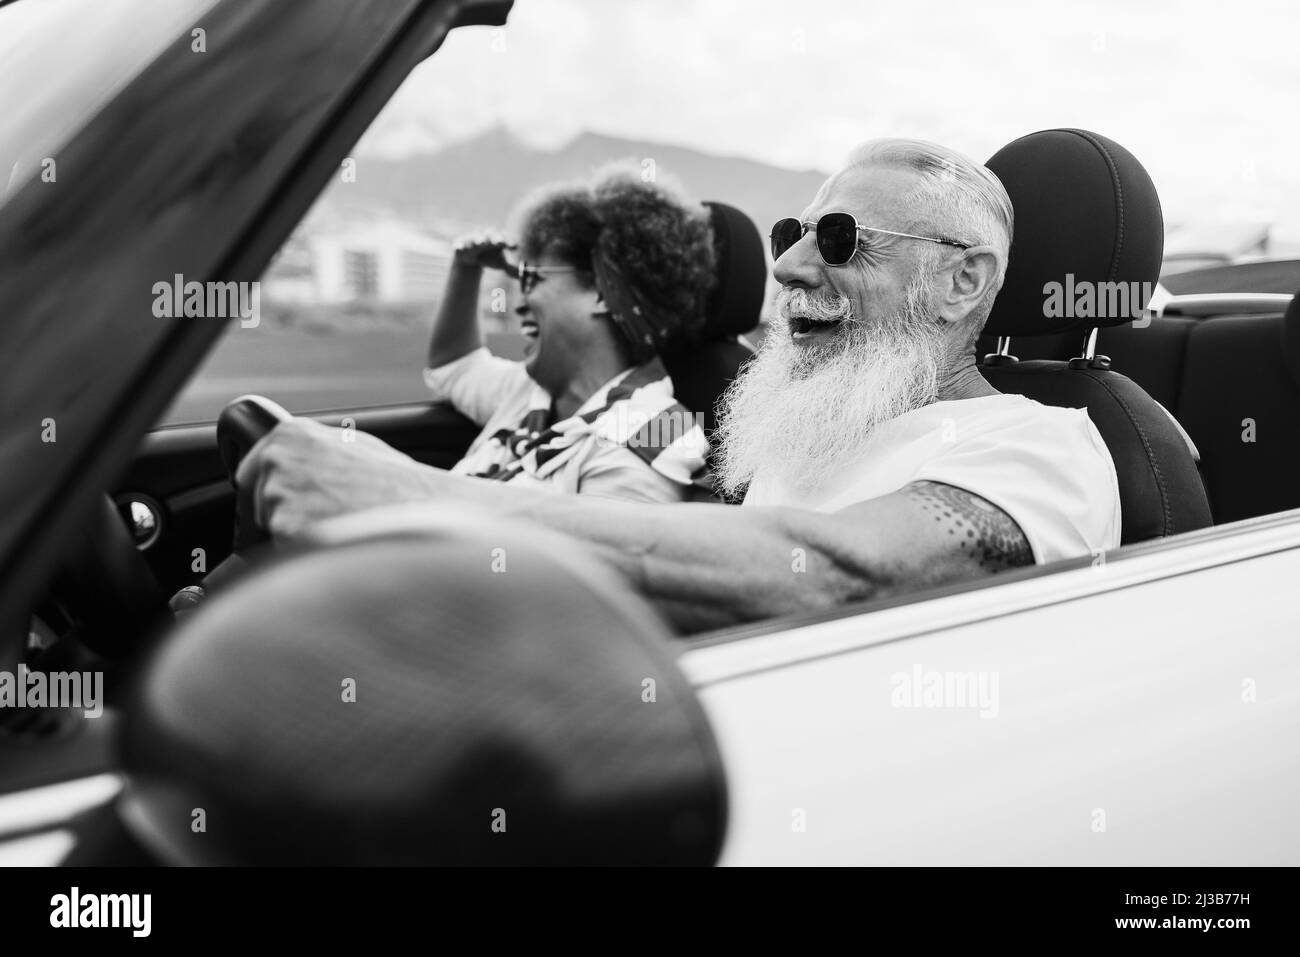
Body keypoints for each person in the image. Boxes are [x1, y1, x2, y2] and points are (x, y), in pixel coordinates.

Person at [238, 138, 1122, 632]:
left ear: (962, 282)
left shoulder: (1041, 450)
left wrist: (416, 506)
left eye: (842, 238)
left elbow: (836, 574)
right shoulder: (810, 432)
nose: (789, 265)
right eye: (792, 231)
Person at [422, 163, 717, 503]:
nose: (519, 302)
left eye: (533, 278)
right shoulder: (535, 393)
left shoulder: (649, 436)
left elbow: (592, 556)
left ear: (603, 294)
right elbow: (453, 368)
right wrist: (466, 267)